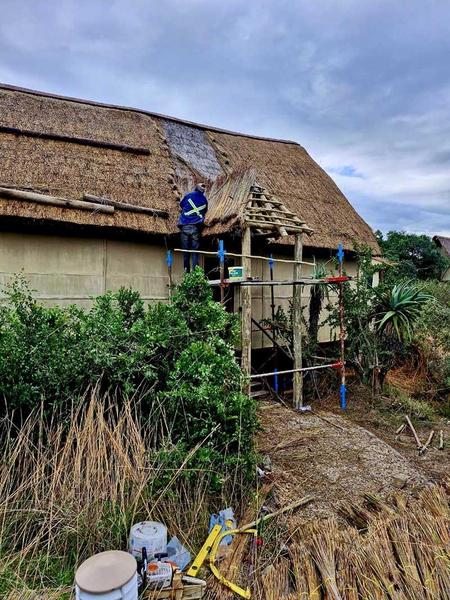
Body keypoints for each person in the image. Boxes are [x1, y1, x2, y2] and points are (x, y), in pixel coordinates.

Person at [178, 182, 208, 272]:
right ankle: (195, 274)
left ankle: (187, 273)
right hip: (196, 228)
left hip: (185, 227)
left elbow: (181, 205)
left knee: (186, 253)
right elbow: (205, 210)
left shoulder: (188, 195)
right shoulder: (204, 200)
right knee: (195, 252)